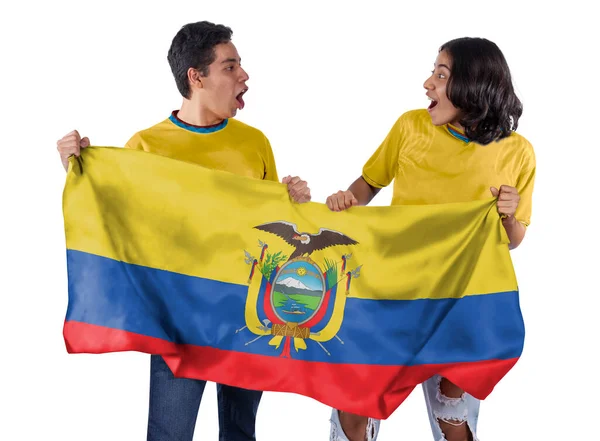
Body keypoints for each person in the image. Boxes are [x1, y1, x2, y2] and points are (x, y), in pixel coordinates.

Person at [56, 21, 311, 441]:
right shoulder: (146, 147)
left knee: (240, 433)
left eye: (240, 66)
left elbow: (269, 234)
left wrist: (292, 203)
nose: (243, 76)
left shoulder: (255, 142)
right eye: (230, 67)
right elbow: (116, 220)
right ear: (196, 77)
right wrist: (78, 169)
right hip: (178, 321)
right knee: (169, 434)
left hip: (247, 316)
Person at [325, 37, 535, 441]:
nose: (427, 83)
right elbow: (369, 184)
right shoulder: (411, 126)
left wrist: (508, 215)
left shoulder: (518, 152)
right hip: (393, 290)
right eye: (433, 71)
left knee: (451, 413)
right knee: (355, 405)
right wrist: (347, 201)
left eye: (441, 75)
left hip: (462, 301)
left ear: (473, 86)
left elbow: (513, 240)